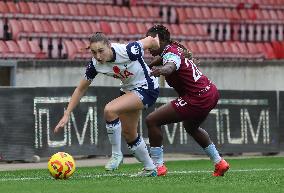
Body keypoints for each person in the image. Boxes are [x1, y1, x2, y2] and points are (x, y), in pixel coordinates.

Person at [54, 32, 160, 177]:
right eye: (93, 52)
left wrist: (160, 48)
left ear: (109, 46)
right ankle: (150, 168)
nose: (98, 56)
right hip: (129, 90)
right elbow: (80, 88)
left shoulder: (128, 50)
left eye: (101, 51)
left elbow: (150, 40)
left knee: (110, 110)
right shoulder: (95, 64)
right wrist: (67, 114)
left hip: (147, 87)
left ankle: (116, 155)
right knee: (129, 134)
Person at [144, 25, 230, 177]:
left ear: (161, 40)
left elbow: (170, 67)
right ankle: (219, 162)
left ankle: (157, 166)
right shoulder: (171, 49)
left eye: (151, 41)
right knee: (191, 127)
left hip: (197, 97)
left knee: (152, 120)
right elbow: (162, 59)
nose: (148, 46)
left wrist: (159, 71)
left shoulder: (171, 54)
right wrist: (147, 67)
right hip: (211, 92)